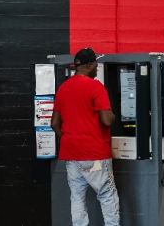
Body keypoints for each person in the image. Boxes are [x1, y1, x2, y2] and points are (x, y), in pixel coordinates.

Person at [51, 48, 119, 226]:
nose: (97, 70)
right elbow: (107, 120)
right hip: (95, 154)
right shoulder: (95, 87)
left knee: (77, 197)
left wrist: (69, 138)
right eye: (96, 65)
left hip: (71, 155)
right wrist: (113, 115)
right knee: (106, 195)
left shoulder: (63, 88)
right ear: (89, 65)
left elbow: (54, 124)